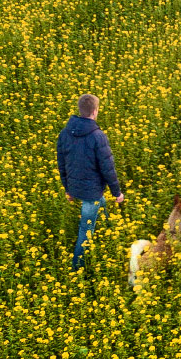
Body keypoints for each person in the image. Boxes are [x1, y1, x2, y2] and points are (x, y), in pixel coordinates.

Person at [56, 93, 124, 271]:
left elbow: (61, 164)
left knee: (100, 203)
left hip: (76, 187)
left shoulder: (65, 133)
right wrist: (117, 193)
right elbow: (108, 168)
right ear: (95, 111)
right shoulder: (97, 136)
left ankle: (110, 230)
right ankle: (75, 270)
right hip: (90, 192)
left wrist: (68, 189)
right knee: (85, 232)